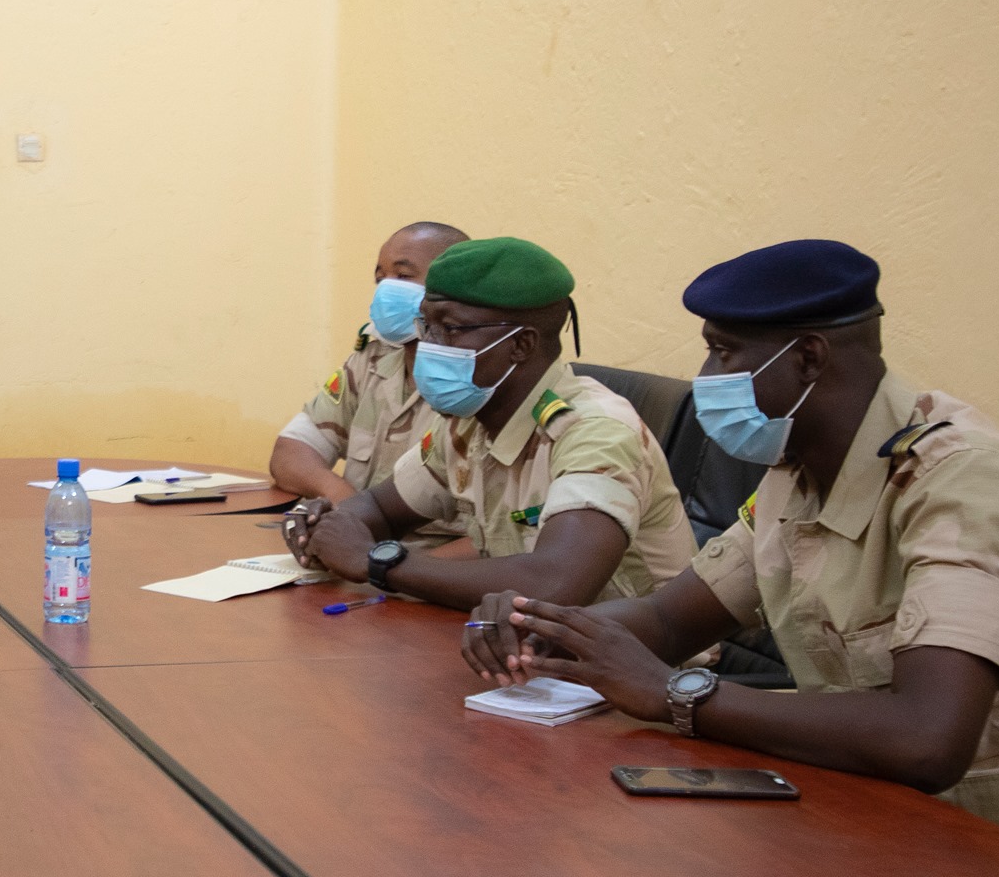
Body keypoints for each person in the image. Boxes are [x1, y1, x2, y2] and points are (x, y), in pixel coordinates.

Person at [467, 239, 999, 848]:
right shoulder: (799, 469)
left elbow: (927, 738)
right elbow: (668, 619)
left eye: (723, 352)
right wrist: (545, 629)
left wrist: (673, 694)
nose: (705, 375)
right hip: (873, 811)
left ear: (808, 356)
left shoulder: (964, 480)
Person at [284, 237, 695, 610]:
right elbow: (379, 507)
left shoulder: (596, 431)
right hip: (524, 654)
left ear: (521, 344)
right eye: (427, 325)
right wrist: (329, 527)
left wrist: (378, 563)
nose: (428, 345)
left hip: (641, 669)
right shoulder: (469, 423)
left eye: (452, 329)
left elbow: (556, 582)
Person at [270, 221, 471, 502]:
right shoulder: (371, 359)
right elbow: (291, 453)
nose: (387, 289)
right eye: (381, 279)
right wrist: (347, 503)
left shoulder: (477, 375)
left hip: (432, 546)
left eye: (402, 276)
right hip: (354, 535)